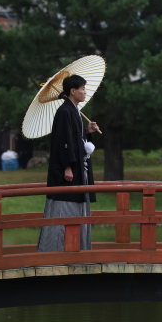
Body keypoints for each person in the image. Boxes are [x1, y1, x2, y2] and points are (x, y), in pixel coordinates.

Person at [37, 74, 100, 252]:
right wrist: (67, 166)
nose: (85, 92)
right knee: (65, 205)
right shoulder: (65, 111)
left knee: (77, 203)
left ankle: (77, 247)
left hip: (78, 166)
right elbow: (63, 141)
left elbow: (75, 139)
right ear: (72, 91)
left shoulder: (74, 111)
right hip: (69, 169)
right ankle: (59, 249)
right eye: (82, 89)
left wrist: (87, 131)